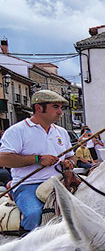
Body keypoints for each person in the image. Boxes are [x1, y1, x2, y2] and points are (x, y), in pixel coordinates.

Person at [0, 90, 72, 232]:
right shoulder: (17, 131)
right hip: (28, 184)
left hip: (59, 181)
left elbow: (70, 155)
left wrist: (69, 163)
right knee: (35, 214)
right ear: (39, 108)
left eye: (61, 108)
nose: (60, 112)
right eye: (55, 107)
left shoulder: (61, 132)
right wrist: (38, 159)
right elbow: (3, 158)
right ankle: (28, 246)